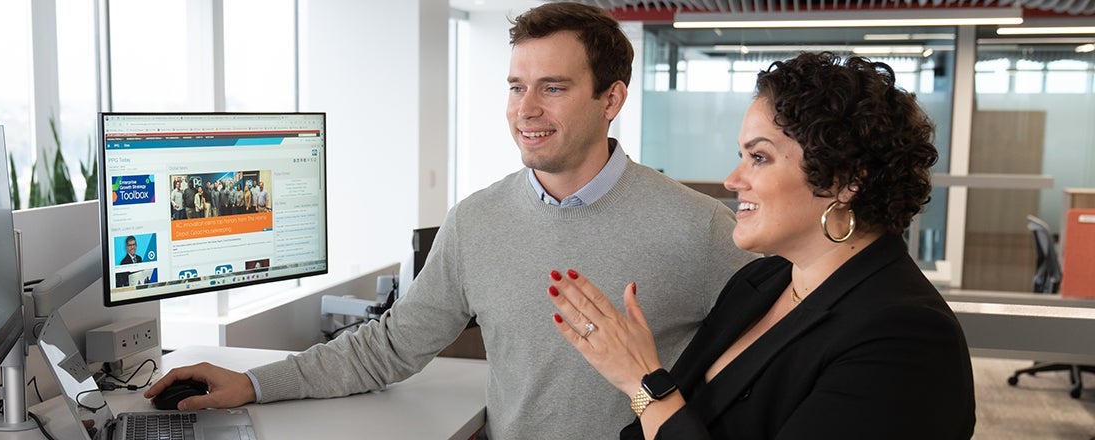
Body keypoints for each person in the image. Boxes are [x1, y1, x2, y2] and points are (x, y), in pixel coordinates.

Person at [143, 3, 754, 438]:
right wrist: (254, 384)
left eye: (553, 88)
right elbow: (388, 347)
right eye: (515, 87)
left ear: (611, 99)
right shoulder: (476, 221)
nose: (526, 110)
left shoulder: (700, 228)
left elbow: (783, 355)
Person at [546, 52, 975, 439]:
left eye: (760, 157)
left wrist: (642, 379)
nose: (734, 180)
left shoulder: (905, 337)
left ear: (847, 181)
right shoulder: (762, 279)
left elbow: (663, 412)